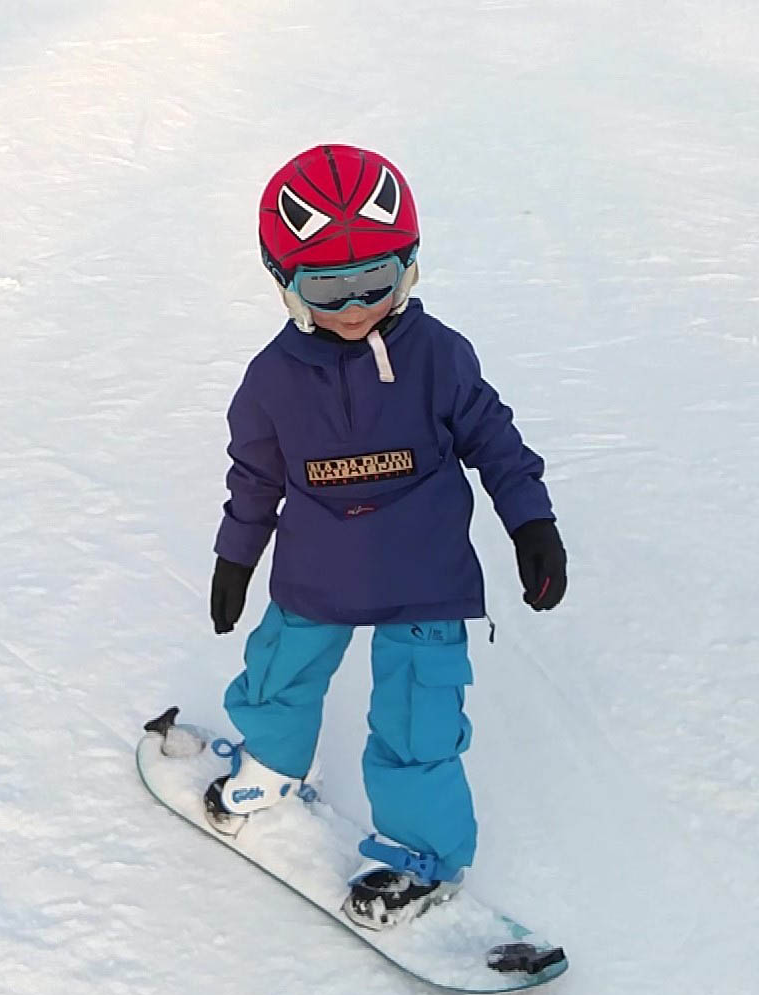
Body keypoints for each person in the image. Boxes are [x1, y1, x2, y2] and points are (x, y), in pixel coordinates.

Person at [204, 144, 567, 930]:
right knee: (278, 673)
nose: (355, 304)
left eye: (377, 279)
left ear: (410, 265)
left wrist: (531, 522)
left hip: (423, 577)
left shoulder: (438, 357)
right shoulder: (271, 381)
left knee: (417, 719)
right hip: (315, 571)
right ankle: (270, 764)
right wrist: (236, 557)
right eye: (326, 286)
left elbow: (496, 443)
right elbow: (255, 480)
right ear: (284, 282)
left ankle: (422, 854)